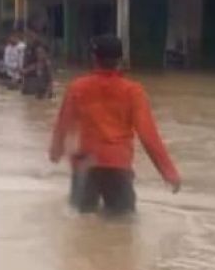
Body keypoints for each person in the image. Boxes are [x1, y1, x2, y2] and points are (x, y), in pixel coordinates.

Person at [48, 35, 181, 216]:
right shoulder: (133, 91)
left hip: (85, 164)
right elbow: (148, 136)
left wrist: (56, 151)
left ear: (94, 58)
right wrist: (168, 172)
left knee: (81, 223)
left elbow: (63, 124)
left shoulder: (77, 88)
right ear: (120, 60)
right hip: (118, 166)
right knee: (122, 225)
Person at [20, 27, 54, 99]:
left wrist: (50, 90)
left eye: (29, 34)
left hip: (37, 83)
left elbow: (50, 78)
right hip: (28, 82)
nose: (27, 36)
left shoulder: (40, 46)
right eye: (26, 35)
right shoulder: (27, 47)